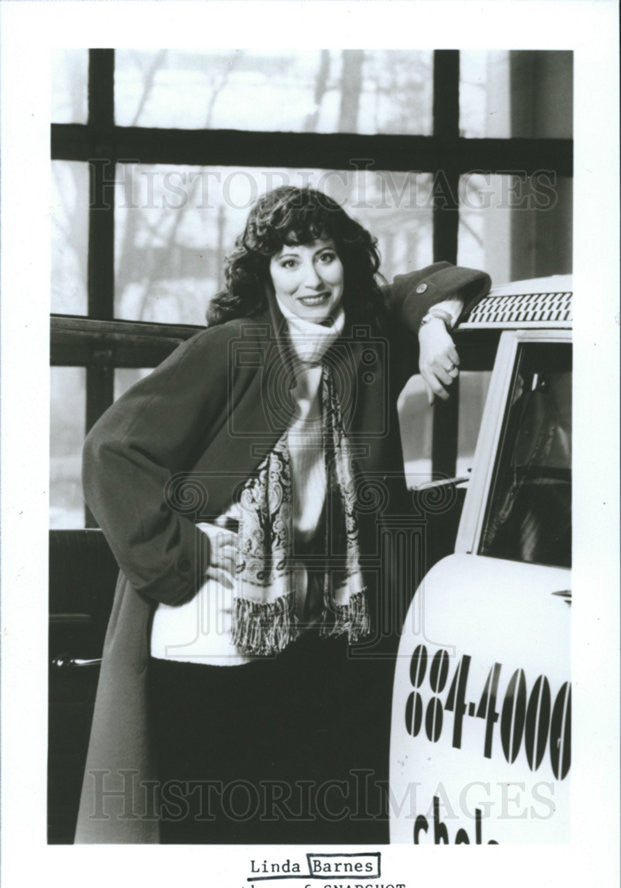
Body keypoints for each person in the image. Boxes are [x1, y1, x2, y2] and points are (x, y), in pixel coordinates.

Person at [75, 185, 490, 844]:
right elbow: (109, 451)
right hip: (210, 639)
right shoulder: (231, 348)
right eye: (288, 262)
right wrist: (193, 548)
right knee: (216, 852)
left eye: (325, 257)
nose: (311, 279)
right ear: (264, 273)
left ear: (346, 262)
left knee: (313, 836)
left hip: (319, 634)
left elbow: (444, 278)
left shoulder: (365, 345)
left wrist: (434, 326)